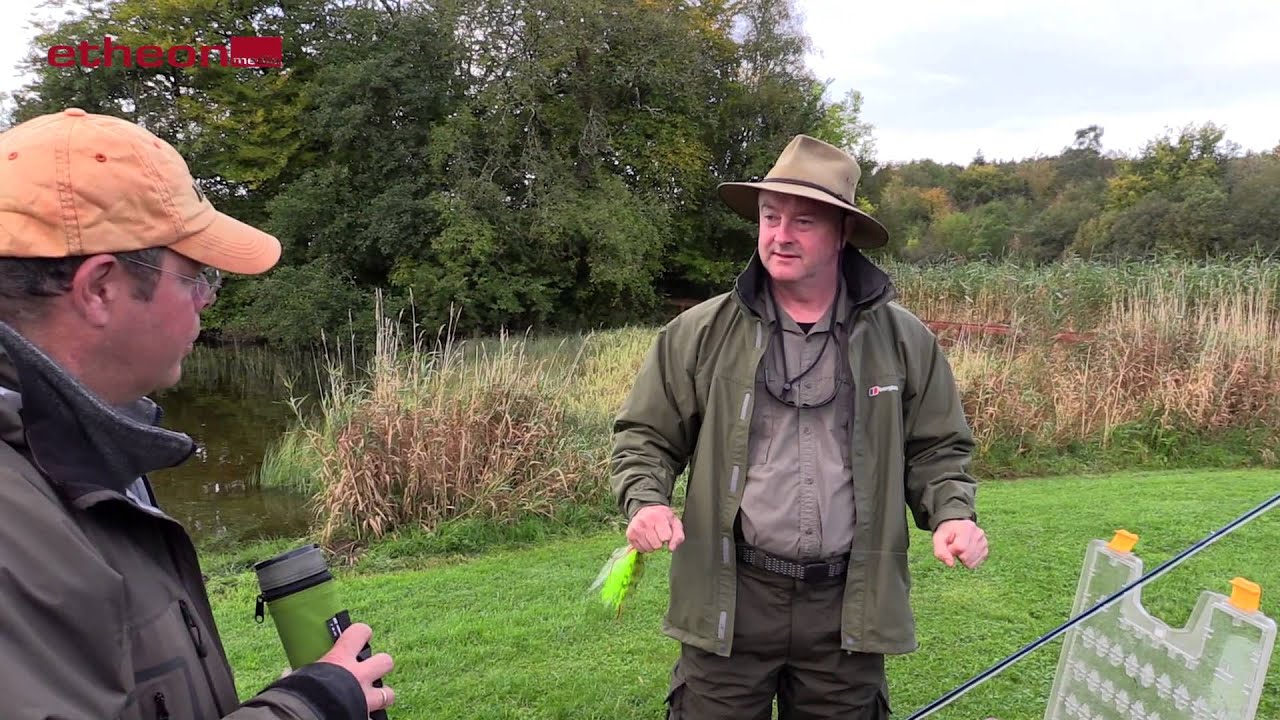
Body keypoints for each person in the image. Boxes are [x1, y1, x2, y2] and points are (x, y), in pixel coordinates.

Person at [0, 108, 395, 719]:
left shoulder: (69, 444)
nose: (207, 299)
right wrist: (305, 708)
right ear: (100, 288)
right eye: (195, 277)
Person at [610, 134, 989, 719]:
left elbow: (937, 448)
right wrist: (645, 501)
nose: (780, 235)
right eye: (770, 216)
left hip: (848, 603)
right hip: (731, 596)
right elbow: (645, 437)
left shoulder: (903, 339)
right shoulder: (699, 332)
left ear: (841, 233)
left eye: (803, 221)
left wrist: (953, 513)